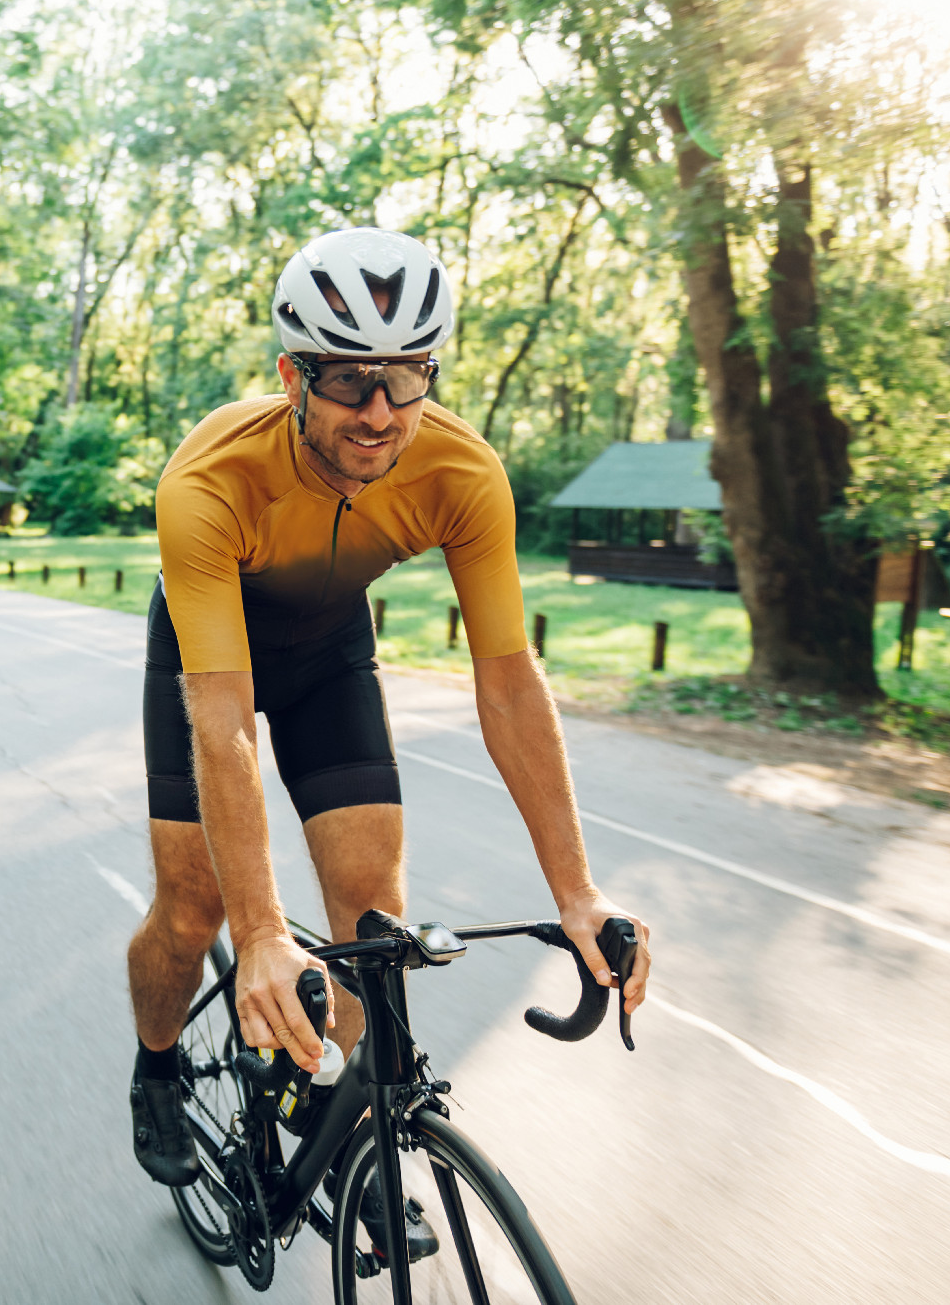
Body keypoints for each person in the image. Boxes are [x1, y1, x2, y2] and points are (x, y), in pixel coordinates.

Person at [126, 229, 653, 1205]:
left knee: (373, 922)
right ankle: (157, 1067)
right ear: (292, 375)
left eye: (405, 378)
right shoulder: (208, 482)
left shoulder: (460, 471)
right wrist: (259, 932)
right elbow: (225, 720)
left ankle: (347, 1128)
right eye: (348, 380)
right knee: (195, 907)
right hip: (207, 665)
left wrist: (576, 890)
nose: (379, 412)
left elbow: (506, 681)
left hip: (329, 654)